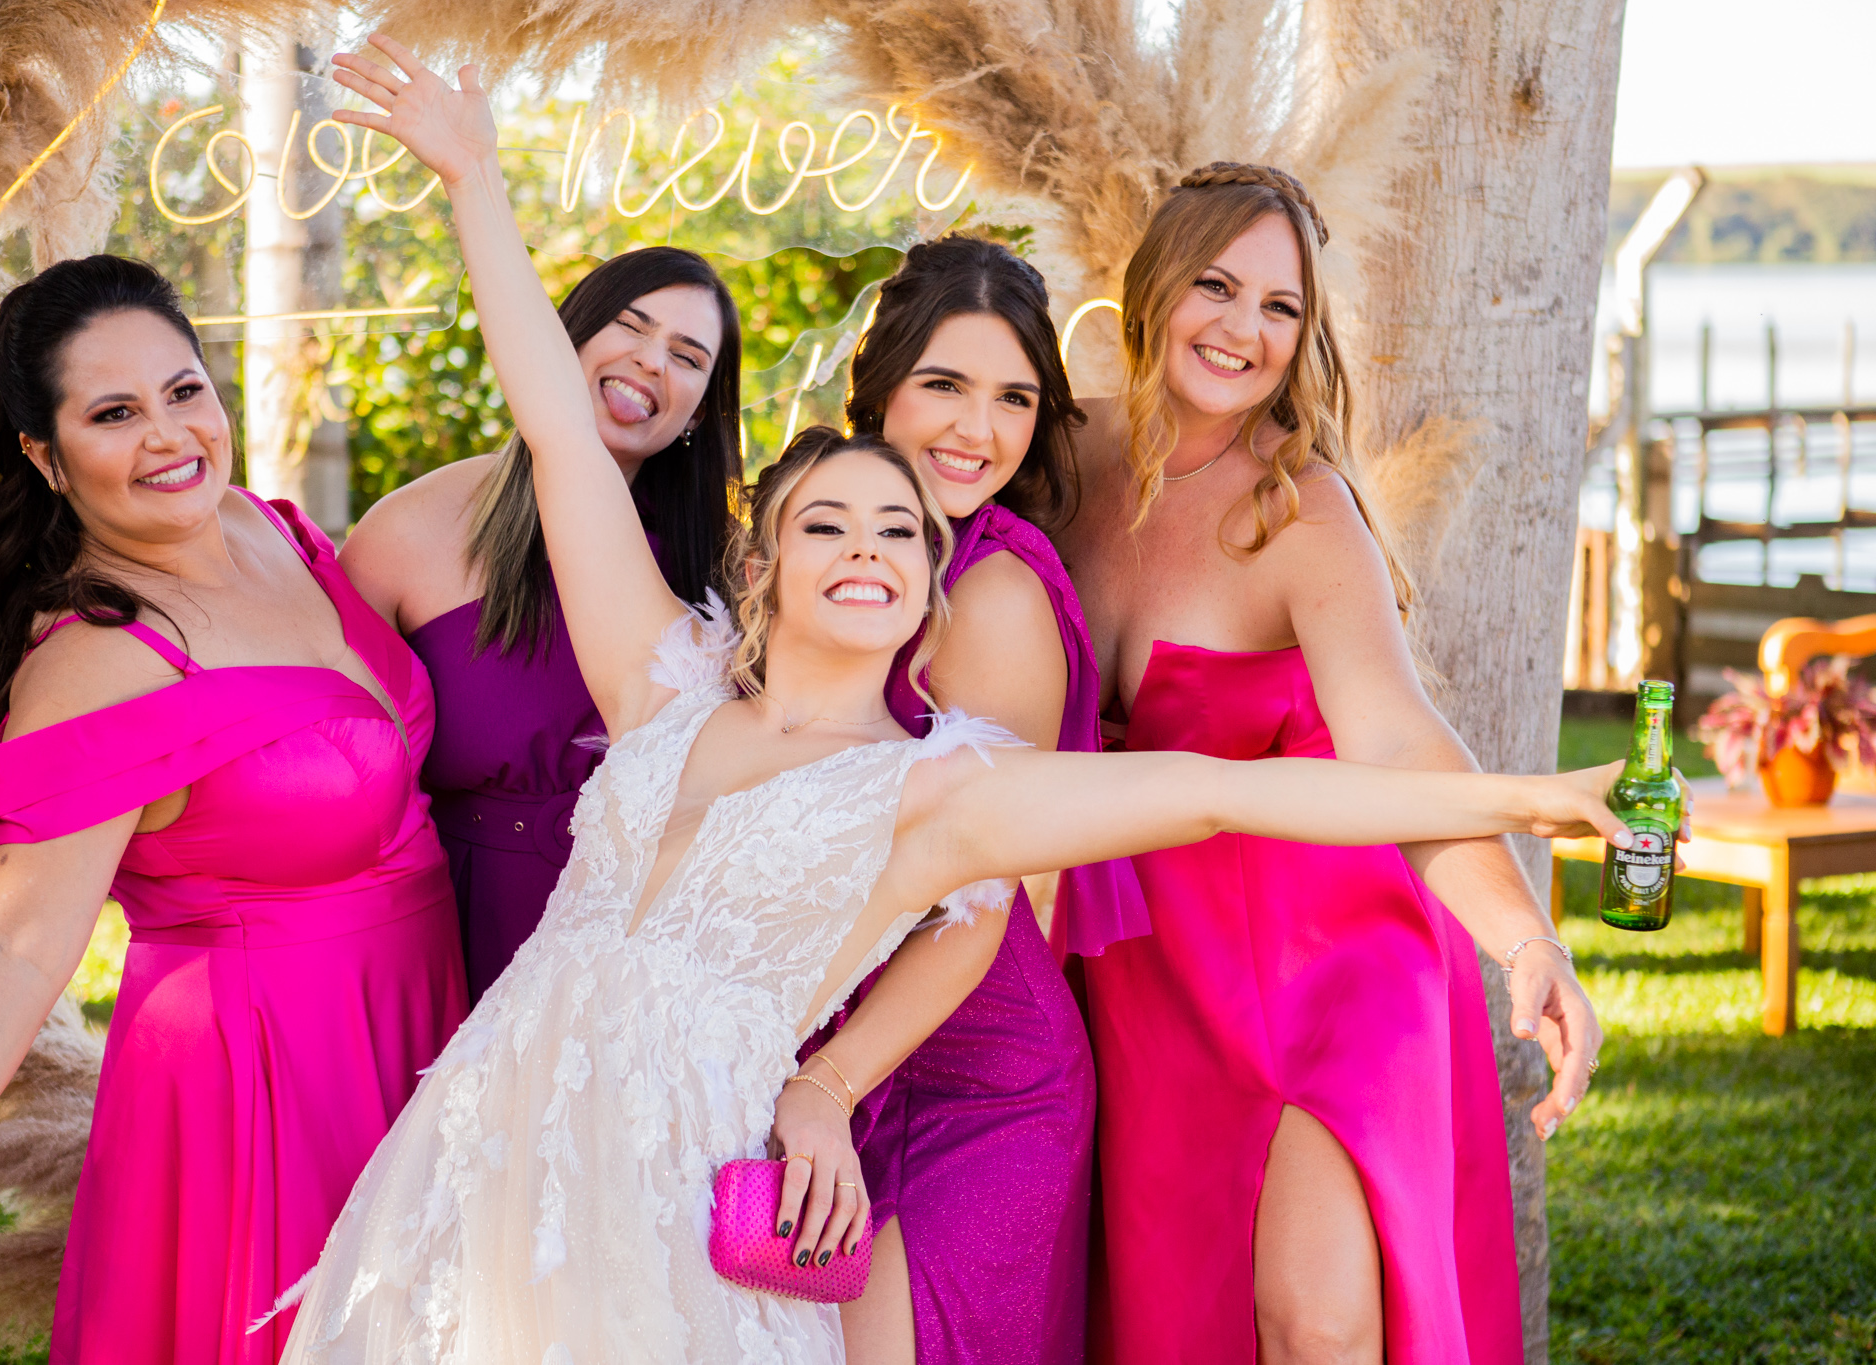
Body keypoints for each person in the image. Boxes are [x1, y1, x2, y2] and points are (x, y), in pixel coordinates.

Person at [275, 40, 1630, 1365]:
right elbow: (561, 432)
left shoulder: (940, 759)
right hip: (539, 1116)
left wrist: (1526, 813)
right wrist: (472, 180)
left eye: (1005, 405)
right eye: (831, 523)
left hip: (966, 1053)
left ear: (937, 579)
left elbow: (1226, 791)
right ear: (765, 551)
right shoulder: (665, 683)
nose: (874, 543)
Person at [0, 256, 467, 1364]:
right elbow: (17, 943)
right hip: (264, 1080)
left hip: (414, 1022)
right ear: (45, 455)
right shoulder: (99, 658)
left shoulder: (272, 531)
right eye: (113, 413)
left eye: (183, 391)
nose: (169, 436)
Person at [1055, 163, 1607, 1365]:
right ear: (1151, 286)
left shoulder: (1295, 508)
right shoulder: (1058, 458)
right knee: (1172, 1313)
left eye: (1280, 306)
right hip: (1144, 964)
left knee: (1320, 1322)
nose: (1242, 330)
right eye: (1215, 287)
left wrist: (1525, 940)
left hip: (1324, 955)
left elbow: (1398, 740)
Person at [787, 234, 1145, 1364]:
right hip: (818, 1038)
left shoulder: (992, 597)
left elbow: (983, 894)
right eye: (945, 385)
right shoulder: (817, 549)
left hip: (972, 1069)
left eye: (1013, 399)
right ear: (881, 387)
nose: (976, 430)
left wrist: (828, 1080)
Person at [339, 246, 742, 1003]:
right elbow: (336, 766)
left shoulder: (733, 570)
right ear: (561, 341)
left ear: (698, 412)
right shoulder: (410, 531)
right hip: (450, 933)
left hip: (648, 955)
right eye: (631, 326)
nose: (651, 361)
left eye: (687, 357)